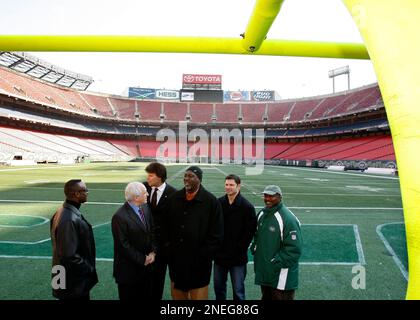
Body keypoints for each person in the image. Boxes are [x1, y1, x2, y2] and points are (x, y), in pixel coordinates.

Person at [163, 166, 223, 300]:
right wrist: (169, 249)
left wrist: (204, 255)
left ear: (199, 180)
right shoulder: (174, 198)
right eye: (185, 176)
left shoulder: (211, 202)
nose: (186, 179)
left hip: (199, 265)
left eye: (191, 176)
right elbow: (165, 227)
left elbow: (216, 234)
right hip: (177, 262)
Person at [251, 185, 302, 300]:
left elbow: (294, 249)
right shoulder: (262, 214)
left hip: (281, 275)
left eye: (272, 196)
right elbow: (257, 235)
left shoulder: (288, 219)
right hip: (266, 271)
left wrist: (276, 262)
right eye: (266, 195)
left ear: (279, 197)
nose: (268, 199)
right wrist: (255, 248)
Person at [50, 179, 98, 300]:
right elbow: (69, 255)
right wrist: (88, 269)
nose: (87, 192)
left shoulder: (63, 211)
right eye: (85, 190)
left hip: (67, 277)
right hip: (72, 281)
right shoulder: (68, 218)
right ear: (76, 194)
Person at [213, 174, 257, 300]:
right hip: (220, 256)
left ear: (239, 186)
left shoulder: (247, 207)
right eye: (226, 184)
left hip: (237, 257)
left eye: (231, 185)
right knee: (219, 289)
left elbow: (249, 233)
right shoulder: (219, 203)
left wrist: (238, 249)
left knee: (238, 291)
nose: (228, 187)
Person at [111, 182, 156, 300]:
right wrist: (143, 259)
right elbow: (123, 245)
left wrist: (153, 251)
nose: (147, 194)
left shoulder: (145, 207)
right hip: (129, 272)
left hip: (146, 269)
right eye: (144, 192)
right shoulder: (119, 216)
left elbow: (152, 231)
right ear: (136, 198)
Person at [143, 162, 177, 300]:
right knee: (144, 280)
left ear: (160, 177)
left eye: (151, 175)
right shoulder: (143, 188)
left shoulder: (174, 194)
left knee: (158, 280)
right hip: (144, 244)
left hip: (164, 247)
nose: (148, 178)